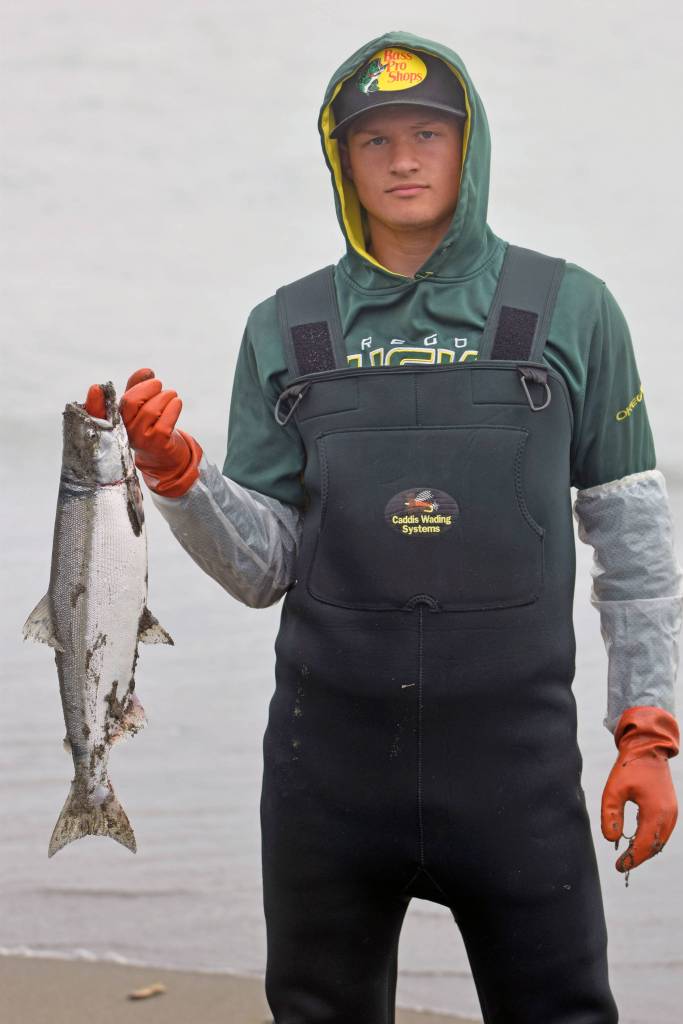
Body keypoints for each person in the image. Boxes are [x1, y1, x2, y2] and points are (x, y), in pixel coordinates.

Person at [85, 31, 682, 1024]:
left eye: (426, 133)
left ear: (467, 144)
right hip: (326, 779)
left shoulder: (570, 309)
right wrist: (181, 476)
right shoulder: (287, 328)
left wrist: (646, 731)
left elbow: (634, 548)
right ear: (340, 159)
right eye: (373, 140)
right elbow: (262, 566)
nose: (402, 159)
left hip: (516, 780)